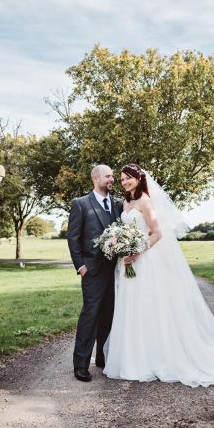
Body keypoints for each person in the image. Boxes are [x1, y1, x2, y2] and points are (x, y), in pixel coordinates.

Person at [103, 164, 214, 387]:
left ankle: (156, 357)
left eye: (128, 178)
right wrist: (122, 247)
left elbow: (157, 233)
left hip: (145, 261)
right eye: (122, 179)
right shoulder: (126, 202)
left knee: (149, 304)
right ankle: (132, 358)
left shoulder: (145, 202)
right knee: (131, 306)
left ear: (139, 179)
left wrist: (137, 250)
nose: (124, 182)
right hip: (128, 264)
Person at [66, 164, 123, 382]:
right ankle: (80, 365)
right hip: (92, 271)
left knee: (109, 314)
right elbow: (73, 237)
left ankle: (103, 357)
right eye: (108, 176)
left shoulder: (117, 205)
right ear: (96, 178)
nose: (112, 179)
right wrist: (81, 266)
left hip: (115, 271)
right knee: (90, 316)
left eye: (112, 176)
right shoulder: (81, 204)